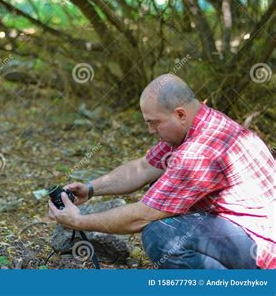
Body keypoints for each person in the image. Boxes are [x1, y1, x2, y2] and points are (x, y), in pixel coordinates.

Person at [49, 74, 275, 269]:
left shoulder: (200, 150)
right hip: (246, 230)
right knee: (160, 199)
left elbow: (142, 216)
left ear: (180, 114)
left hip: (262, 248)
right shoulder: (195, 125)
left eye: (154, 123)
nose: (150, 130)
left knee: (162, 235)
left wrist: (78, 221)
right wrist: (90, 189)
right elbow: (144, 167)